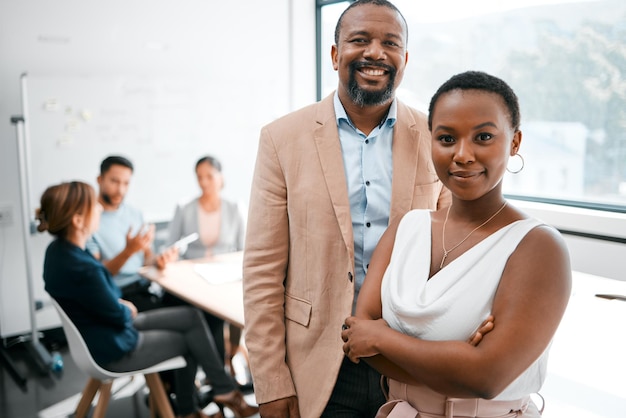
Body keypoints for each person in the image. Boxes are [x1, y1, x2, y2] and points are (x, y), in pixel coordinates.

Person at [242, 1, 452, 417]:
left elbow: (454, 251)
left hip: (411, 362)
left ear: (404, 59)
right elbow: (262, 272)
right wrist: (270, 382)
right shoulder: (281, 139)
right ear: (336, 54)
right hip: (319, 364)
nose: (375, 53)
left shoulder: (437, 135)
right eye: (360, 40)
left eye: (390, 43)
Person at [341, 71, 572, 417]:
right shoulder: (407, 227)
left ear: (514, 142)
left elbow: (487, 377)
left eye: (483, 137)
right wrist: (456, 363)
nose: (463, 155)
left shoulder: (538, 246)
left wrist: (383, 338)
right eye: (447, 139)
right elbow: (360, 340)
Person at [37, 181, 259, 418]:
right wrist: (124, 309)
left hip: (100, 332)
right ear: (78, 221)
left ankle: (220, 392)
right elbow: (117, 314)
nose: (100, 210)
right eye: (94, 206)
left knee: (192, 316)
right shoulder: (84, 268)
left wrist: (118, 306)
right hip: (114, 346)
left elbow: (94, 300)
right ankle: (195, 406)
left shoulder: (57, 253)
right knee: (191, 338)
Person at [165, 155, 246, 380]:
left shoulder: (235, 208)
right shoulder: (184, 208)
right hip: (194, 279)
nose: (204, 182)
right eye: (199, 177)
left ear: (221, 177)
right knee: (211, 315)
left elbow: (244, 250)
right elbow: (172, 246)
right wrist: (170, 254)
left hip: (225, 277)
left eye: (209, 176)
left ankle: (224, 364)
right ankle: (218, 371)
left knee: (226, 310)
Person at [86, 155, 176, 312]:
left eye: (126, 183)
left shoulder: (135, 214)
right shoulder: (90, 221)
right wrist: (128, 251)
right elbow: (99, 275)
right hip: (119, 294)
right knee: (190, 316)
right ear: (100, 179)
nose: (120, 190)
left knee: (201, 306)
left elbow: (147, 257)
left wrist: (159, 260)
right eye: (114, 181)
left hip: (146, 285)